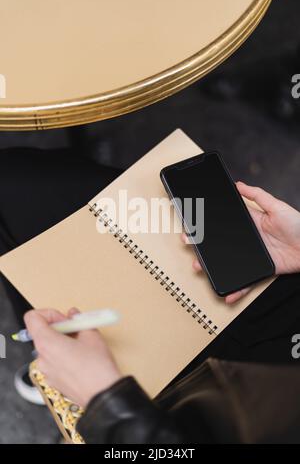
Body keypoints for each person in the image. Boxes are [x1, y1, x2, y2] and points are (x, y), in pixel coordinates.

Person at [23, 183, 300, 443]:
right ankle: (53, 353)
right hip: (283, 302)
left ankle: (54, 359)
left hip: (218, 412)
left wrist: (106, 403)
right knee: (19, 184)